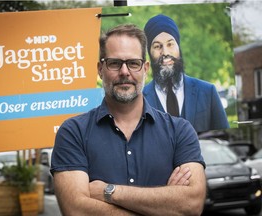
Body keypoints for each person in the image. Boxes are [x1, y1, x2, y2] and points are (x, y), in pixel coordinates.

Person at [51, 24, 206, 215]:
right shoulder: (73, 132)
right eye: (115, 63)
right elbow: (76, 210)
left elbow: (192, 204)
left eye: (133, 63)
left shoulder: (180, 131)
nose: (125, 71)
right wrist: (163, 205)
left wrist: (110, 192)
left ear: (146, 69)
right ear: (100, 69)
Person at [143, 14, 230, 133]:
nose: (165, 52)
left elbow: (222, 136)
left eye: (170, 44)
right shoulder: (140, 100)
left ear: (179, 47)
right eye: (157, 46)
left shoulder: (208, 92)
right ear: (149, 52)